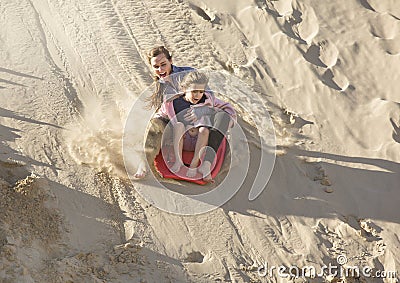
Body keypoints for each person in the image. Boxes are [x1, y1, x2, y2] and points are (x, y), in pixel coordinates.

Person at [159, 71, 236, 182]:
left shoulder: (208, 100)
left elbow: (229, 110)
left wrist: (208, 110)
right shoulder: (173, 103)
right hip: (182, 139)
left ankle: (194, 164)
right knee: (179, 125)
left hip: (199, 142)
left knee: (204, 130)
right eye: (194, 91)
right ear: (184, 88)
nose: (197, 95)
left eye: (201, 91)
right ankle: (178, 161)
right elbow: (159, 115)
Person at [133, 46, 193, 179]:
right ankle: (144, 164)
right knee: (155, 123)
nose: (160, 70)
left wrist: (200, 110)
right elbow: (162, 111)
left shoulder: (188, 73)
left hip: (193, 121)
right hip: (172, 123)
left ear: (171, 61)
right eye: (156, 67)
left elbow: (209, 96)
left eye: (163, 64)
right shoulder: (160, 85)